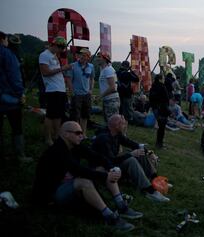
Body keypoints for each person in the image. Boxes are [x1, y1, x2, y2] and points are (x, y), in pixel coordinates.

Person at [32, 121, 141, 232]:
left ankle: (120, 204)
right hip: (52, 193)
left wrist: (112, 169)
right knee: (84, 181)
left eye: (82, 132)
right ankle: (109, 216)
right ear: (65, 134)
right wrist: (105, 176)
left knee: (103, 169)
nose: (82, 135)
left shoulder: (75, 146)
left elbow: (97, 157)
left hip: (69, 183)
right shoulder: (58, 151)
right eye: (78, 133)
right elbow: (79, 171)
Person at [92, 115, 170, 202]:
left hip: (112, 162)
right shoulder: (104, 139)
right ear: (117, 125)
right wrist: (131, 154)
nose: (125, 125)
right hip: (105, 168)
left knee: (139, 152)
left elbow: (132, 144)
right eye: (123, 123)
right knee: (131, 160)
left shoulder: (116, 134)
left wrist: (149, 152)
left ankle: (155, 180)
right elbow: (110, 160)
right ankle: (149, 191)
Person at [0, 31, 31, 161]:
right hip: (9, 97)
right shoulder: (7, 53)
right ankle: (20, 155)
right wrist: (20, 94)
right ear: (3, 39)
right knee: (16, 125)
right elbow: (14, 76)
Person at [38, 36, 72, 145]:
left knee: (58, 114)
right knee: (50, 115)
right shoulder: (44, 55)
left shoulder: (54, 56)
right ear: (55, 45)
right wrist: (63, 68)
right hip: (52, 90)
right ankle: (47, 139)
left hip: (60, 89)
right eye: (60, 48)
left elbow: (56, 73)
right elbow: (45, 72)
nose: (61, 51)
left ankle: (56, 136)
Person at [67, 48, 94, 136]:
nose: (82, 56)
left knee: (85, 115)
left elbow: (91, 78)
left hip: (86, 95)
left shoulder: (91, 66)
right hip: (76, 94)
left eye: (85, 55)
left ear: (88, 57)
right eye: (81, 54)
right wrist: (72, 92)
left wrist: (90, 90)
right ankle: (75, 134)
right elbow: (69, 79)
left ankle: (83, 134)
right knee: (75, 116)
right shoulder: (73, 65)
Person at [149, 74, 170, 149]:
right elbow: (166, 98)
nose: (164, 80)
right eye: (163, 78)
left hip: (155, 108)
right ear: (160, 79)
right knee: (162, 127)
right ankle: (159, 143)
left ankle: (159, 142)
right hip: (162, 109)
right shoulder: (162, 87)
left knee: (160, 126)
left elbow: (150, 98)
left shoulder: (153, 87)